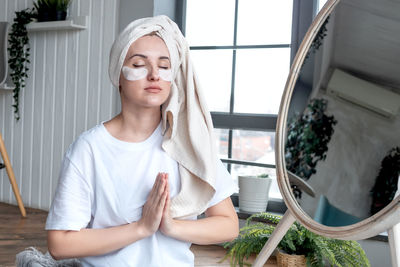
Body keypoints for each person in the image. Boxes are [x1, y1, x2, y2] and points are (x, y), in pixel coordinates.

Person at [45, 15, 239, 267]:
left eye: (164, 65)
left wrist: (171, 226)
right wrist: (141, 228)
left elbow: (228, 225)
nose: (154, 74)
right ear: (119, 77)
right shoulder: (90, 148)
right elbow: (60, 244)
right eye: (139, 65)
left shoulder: (189, 144)